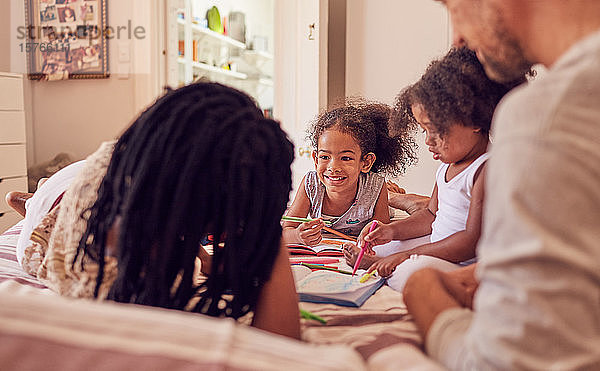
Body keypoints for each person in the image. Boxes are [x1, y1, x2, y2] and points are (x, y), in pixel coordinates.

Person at [404, 0, 600, 369]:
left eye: (454, 6)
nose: (458, 37)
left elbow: (509, 364)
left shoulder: (547, 114)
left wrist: (424, 292)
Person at [20, 82, 301, 339]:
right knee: (43, 218)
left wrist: (265, 227)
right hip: (69, 190)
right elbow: (280, 346)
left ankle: (33, 197)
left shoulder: (159, 177)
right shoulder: (102, 245)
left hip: (108, 173)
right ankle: (31, 200)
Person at [345, 47, 524, 292]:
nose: (428, 140)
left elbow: (469, 242)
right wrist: (391, 231)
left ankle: (382, 267)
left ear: (474, 120)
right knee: (387, 247)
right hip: (439, 247)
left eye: (436, 130)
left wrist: (408, 256)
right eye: (424, 130)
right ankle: (381, 262)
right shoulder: (447, 166)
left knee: (412, 273)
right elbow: (431, 215)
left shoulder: (486, 169)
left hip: (466, 263)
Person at [282, 98, 417, 246]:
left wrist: (372, 235)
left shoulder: (376, 186)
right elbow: (286, 230)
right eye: (325, 157)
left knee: (391, 203)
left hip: (377, 210)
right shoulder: (311, 184)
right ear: (315, 159)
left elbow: (381, 231)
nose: (333, 167)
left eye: (345, 158)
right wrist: (297, 236)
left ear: (366, 162)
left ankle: (395, 196)